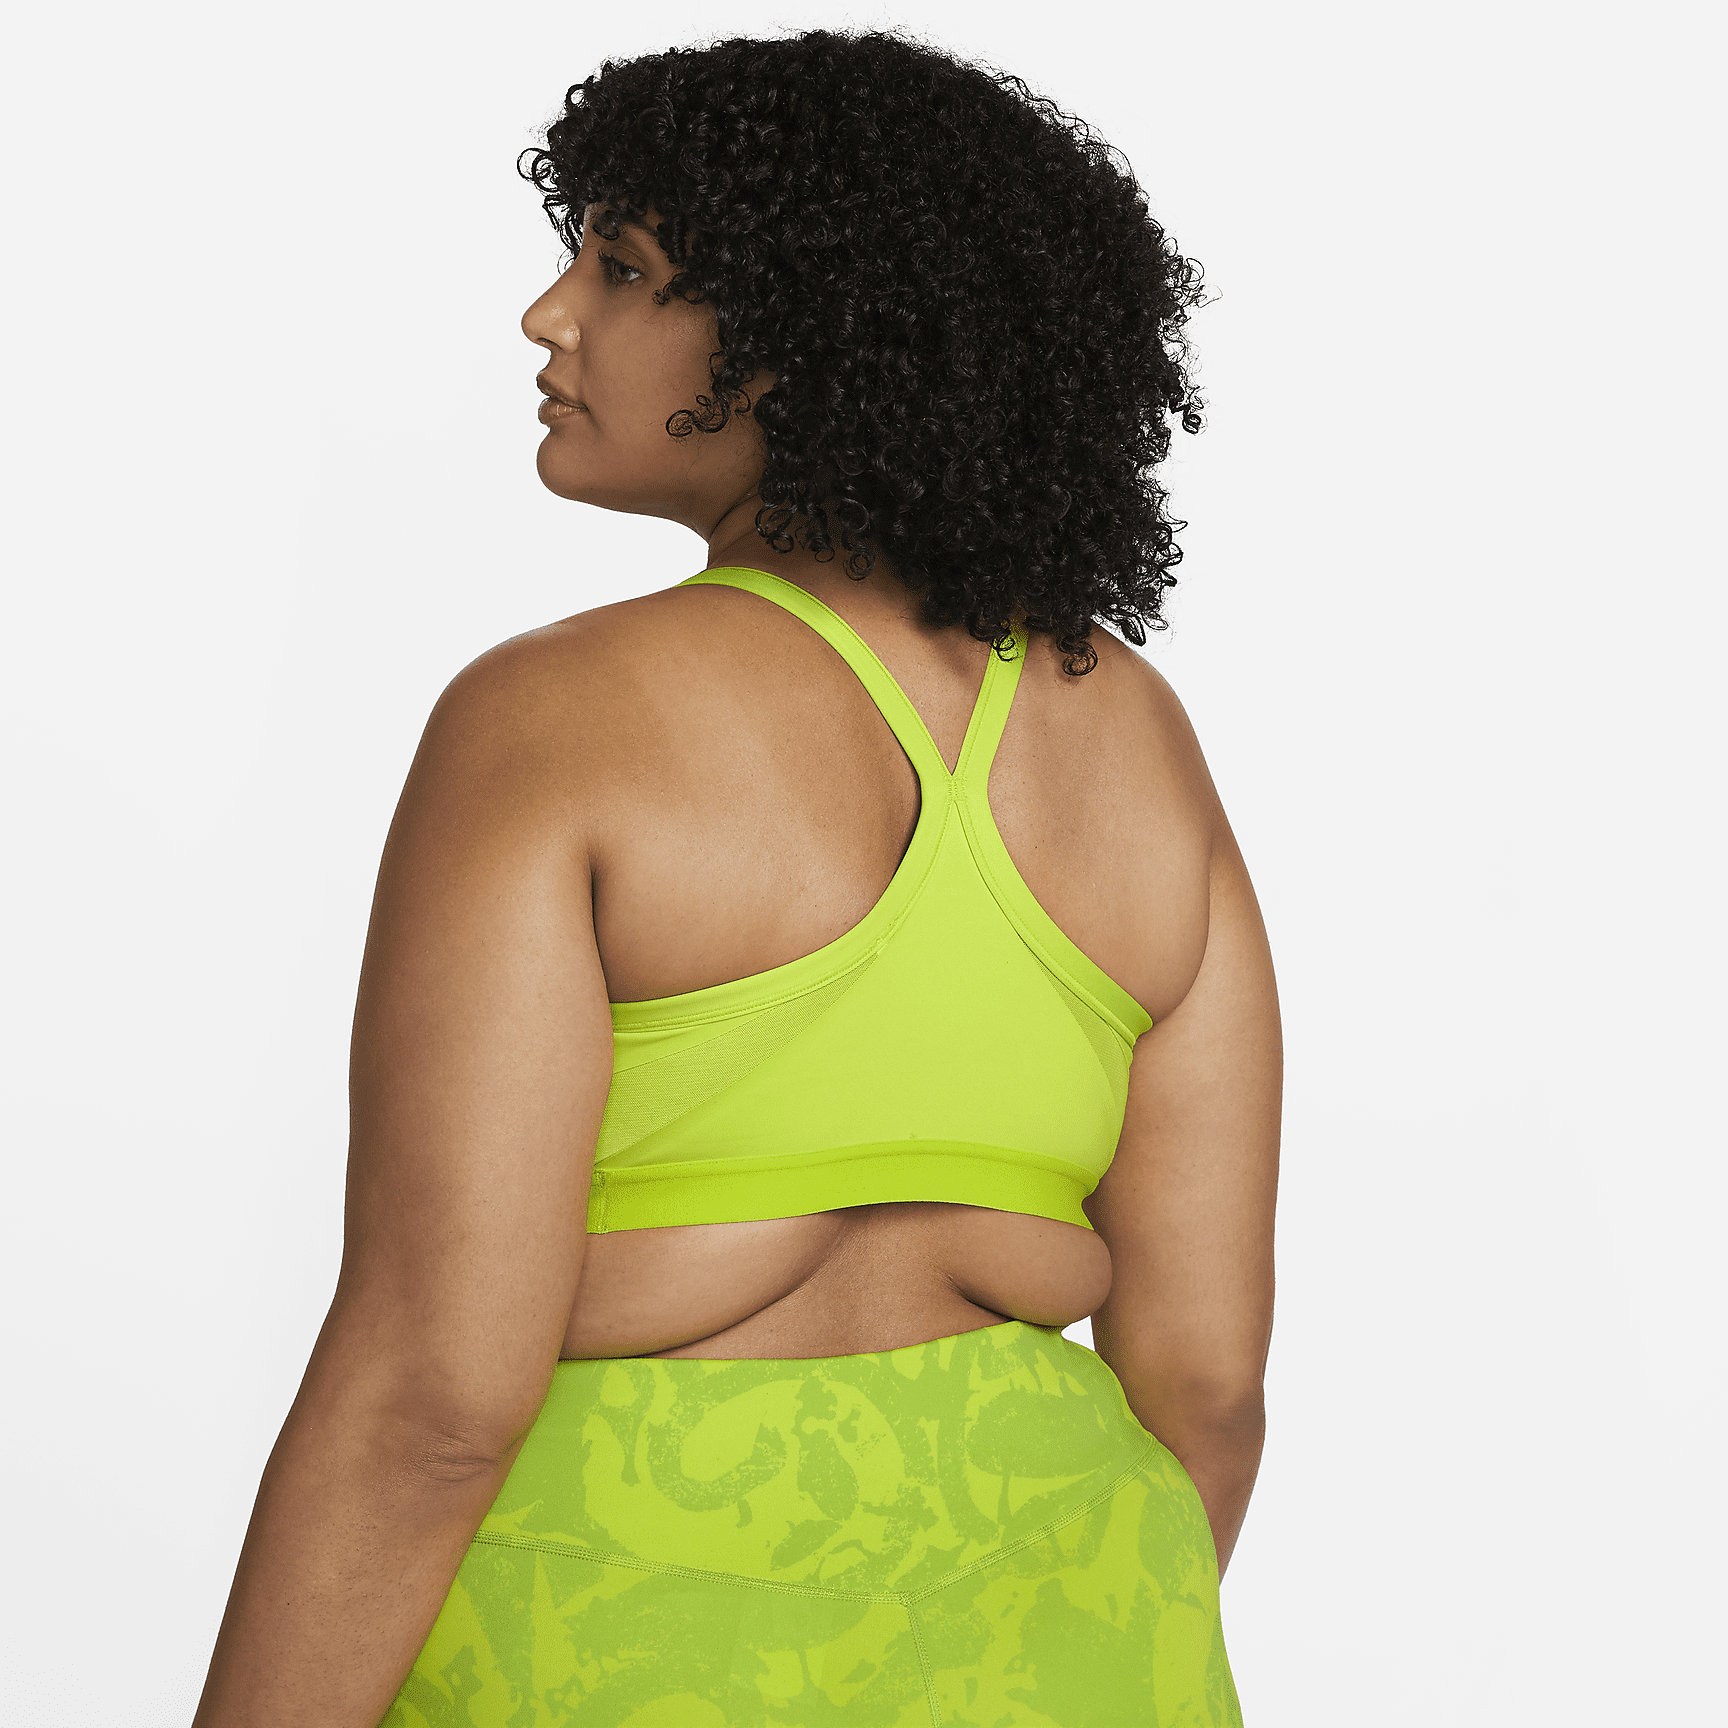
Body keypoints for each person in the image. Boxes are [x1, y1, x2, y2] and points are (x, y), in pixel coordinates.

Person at [193, 28, 1280, 1728]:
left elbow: (430, 1400)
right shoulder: (1136, 741)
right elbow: (1206, 1386)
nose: (551, 316)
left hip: (604, 1631)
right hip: (1077, 1634)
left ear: (807, 340)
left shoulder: (550, 720)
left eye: (622, 269)